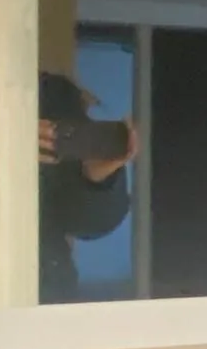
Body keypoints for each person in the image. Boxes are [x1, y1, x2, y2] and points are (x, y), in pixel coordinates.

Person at [38, 70, 137, 304]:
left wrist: (98, 178)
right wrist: (3, 138)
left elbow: (86, 224)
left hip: (42, 280)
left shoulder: (56, 95)